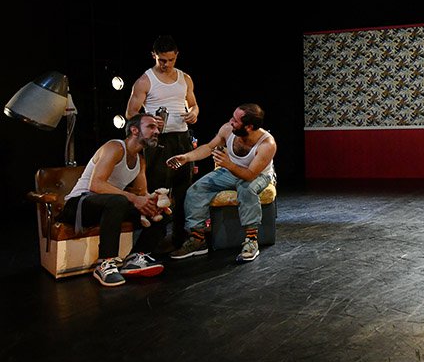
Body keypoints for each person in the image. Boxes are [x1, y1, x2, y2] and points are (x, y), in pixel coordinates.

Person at [60, 114, 169, 287]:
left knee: (159, 211)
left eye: (157, 128)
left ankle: (136, 256)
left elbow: (142, 194)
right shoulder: (115, 147)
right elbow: (96, 185)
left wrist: (154, 200)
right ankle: (105, 263)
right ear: (134, 130)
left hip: (110, 206)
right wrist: (134, 198)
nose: (157, 131)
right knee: (119, 201)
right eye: (151, 127)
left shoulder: (140, 161)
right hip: (79, 204)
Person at [167, 104, 276, 263]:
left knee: (247, 190)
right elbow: (209, 147)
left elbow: (249, 175)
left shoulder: (267, 144)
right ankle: (198, 239)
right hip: (230, 171)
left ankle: (251, 241)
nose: (231, 121)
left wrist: (228, 164)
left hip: (257, 174)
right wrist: (186, 157)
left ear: (249, 127)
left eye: (236, 121)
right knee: (196, 190)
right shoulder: (227, 129)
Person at [126, 35, 199, 249]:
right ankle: (153, 238)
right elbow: (130, 113)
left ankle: (179, 236)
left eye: (170, 60)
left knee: (183, 188)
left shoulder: (185, 78)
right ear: (154, 56)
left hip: (182, 137)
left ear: (176, 56)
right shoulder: (145, 80)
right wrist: (149, 119)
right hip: (158, 140)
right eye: (162, 60)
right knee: (158, 189)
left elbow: (193, 104)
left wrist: (194, 113)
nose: (166, 64)